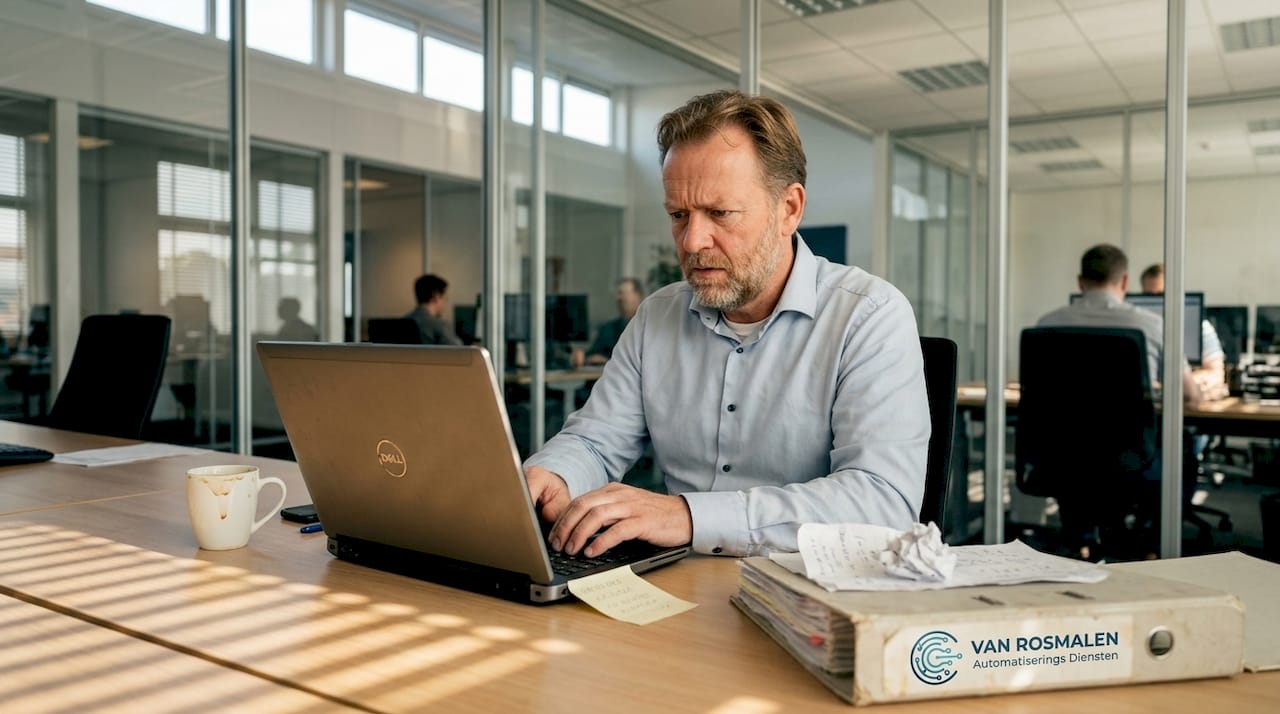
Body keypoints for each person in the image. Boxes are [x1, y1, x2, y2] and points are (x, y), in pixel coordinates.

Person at [523, 90, 930, 559]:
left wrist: (689, 516)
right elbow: (594, 442)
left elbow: (881, 502)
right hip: (680, 584)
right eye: (678, 215)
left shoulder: (868, 316)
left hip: (804, 594)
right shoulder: (658, 316)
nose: (693, 240)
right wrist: (552, 475)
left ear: (789, 209)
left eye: (720, 213)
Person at [1038, 245, 1202, 406]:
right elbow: (1188, 395)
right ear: (1125, 281)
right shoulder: (1154, 325)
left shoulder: (1046, 325)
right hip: (1130, 432)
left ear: (1080, 282)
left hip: (1058, 431)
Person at [1139, 263, 1227, 401]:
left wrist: (1176, 384)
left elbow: (1216, 373)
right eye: (1149, 296)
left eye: (1162, 295)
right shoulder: (1139, 329)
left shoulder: (1201, 328)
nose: (1156, 302)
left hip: (1186, 406)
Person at [576, 278, 645, 367]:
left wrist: (609, 361)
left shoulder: (648, 327)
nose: (618, 298)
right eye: (617, 294)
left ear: (637, 296)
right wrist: (583, 357)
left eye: (622, 293)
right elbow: (593, 354)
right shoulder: (608, 328)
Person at [405, 274, 460, 346]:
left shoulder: (401, 323)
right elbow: (460, 353)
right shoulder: (440, 325)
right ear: (436, 297)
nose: (445, 304)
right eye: (445, 299)